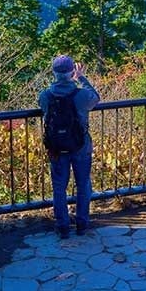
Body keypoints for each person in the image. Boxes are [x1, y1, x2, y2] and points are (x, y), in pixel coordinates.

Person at [38, 55, 100, 239]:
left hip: (56, 148)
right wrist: (80, 77)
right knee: (83, 184)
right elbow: (96, 98)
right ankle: (82, 224)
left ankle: (62, 226)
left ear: (54, 73)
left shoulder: (45, 96)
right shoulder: (81, 95)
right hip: (81, 147)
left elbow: (42, 109)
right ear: (72, 71)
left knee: (59, 187)